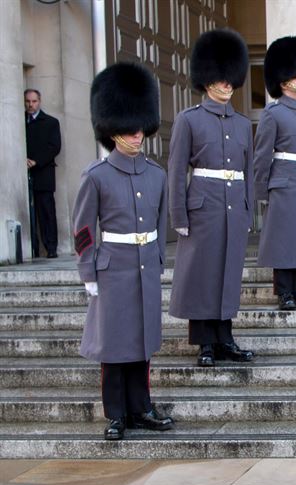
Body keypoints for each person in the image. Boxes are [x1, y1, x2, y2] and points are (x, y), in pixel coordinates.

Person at [75, 62, 173, 441]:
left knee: (142, 341)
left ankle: (142, 407)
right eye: (128, 130)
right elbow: (84, 229)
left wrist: (159, 261)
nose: (136, 136)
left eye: (139, 129)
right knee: (115, 345)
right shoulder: (96, 176)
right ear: (112, 130)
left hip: (145, 264)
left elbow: (160, 223)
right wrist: (89, 274)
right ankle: (116, 413)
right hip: (112, 268)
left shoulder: (156, 174)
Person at [168, 28, 255, 368]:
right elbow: (176, 171)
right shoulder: (188, 120)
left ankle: (225, 337)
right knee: (203, 274)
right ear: (207, 80)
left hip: (233, 207)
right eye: (220, 78)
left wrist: (248, 211)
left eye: (230, 78)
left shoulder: (242, 123)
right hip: (202, 206)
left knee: (228, 272)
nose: (226, 84)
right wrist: (179, 217)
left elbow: (246, 172)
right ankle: (205, 341)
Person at [253, 36, 296, 312]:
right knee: (284, 238)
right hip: (282, 182)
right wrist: (262, 191)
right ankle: (285, 291)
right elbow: (262, 155)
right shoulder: (274, 113)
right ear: (283, 81)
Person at [24, 89, 62, 258]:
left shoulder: (51, 122)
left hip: (43, 172)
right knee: (29, 213)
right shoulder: (20, 121)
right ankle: (32, 248)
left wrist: (36, 161)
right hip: (23, 173)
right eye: (28, 101)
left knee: (47, 212)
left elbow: (54, 147)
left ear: (39, 102)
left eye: (34, 101)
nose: (30, 105)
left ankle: (51, 248)